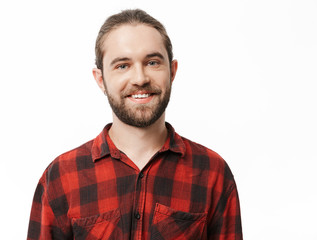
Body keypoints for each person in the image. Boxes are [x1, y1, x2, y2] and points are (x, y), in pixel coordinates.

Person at [27, 9, 242, 240]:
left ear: (172, 71)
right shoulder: (61, 176)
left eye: (152, 62)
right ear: (100, 79)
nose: (140, 78)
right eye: (122, 65)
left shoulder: (212, 172)